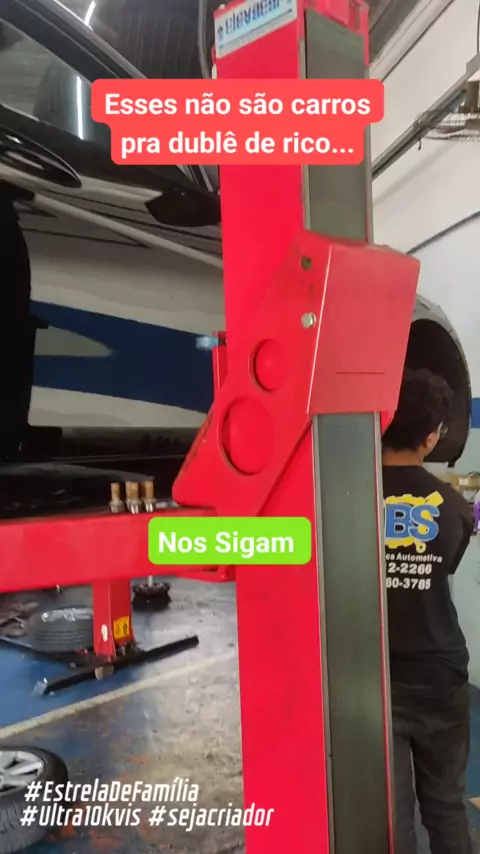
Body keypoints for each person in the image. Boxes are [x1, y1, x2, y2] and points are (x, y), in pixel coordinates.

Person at [382, 367, 474, 854]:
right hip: (441, 673)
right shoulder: (456, 507)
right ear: (431, 437)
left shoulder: (340, 497)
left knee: (391, 813)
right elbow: (444, 568)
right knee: (446, 806)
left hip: (374, 679)